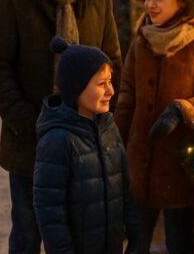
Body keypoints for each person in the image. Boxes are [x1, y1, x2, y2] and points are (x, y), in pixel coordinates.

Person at [0, 0, 122, 254]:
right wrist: (33, 125)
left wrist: (99, 119)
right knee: (28, 233)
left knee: (81, 238)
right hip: (31, 146)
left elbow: (112, 59)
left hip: (86, 145)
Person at [114, 0, 194, 254]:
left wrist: (182, 109)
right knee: (135, 242)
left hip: (179, 168)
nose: (150, 4)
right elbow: (126, 97)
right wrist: (114, 144)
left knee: (179, 243)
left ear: (182, 0)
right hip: (139, 167)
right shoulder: (142, 40)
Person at [34, 38, 136, 254]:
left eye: (110, 81)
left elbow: (125, 188)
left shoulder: (109, 128)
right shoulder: (56, 140)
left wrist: (136, 238)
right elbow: (51, 215)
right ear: (75, 88)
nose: (110, 91)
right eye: (101, 84)